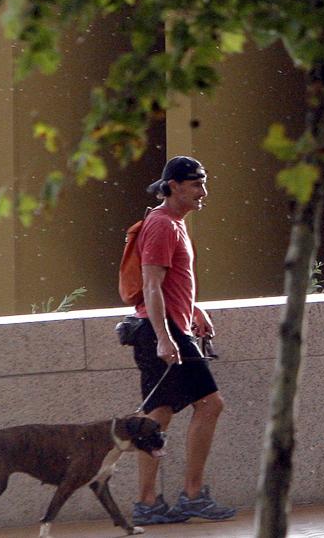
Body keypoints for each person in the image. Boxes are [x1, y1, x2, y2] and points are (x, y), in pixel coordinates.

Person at [131, 156, 236, 524]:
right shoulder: (162, 226)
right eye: (196, 185)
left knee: (156, 416)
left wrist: (195, 308)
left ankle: (147, 503)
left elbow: (169, 285)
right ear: (173, 186)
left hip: (169, 327)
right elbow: (151, 286)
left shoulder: (171, 223)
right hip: (165, 333)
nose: (203, 193)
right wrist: (165, 337)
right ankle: (192, 495)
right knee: (210, 405)